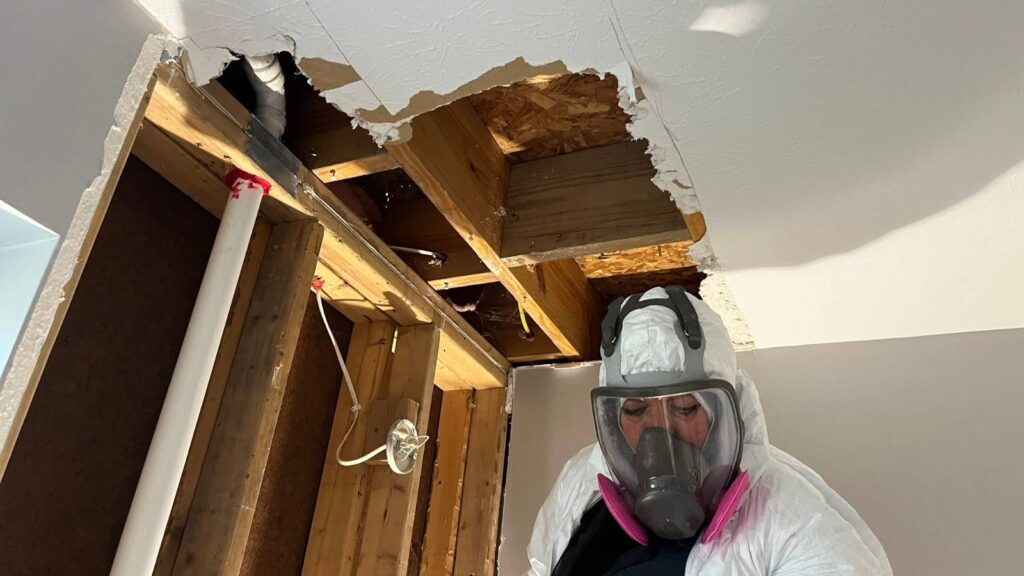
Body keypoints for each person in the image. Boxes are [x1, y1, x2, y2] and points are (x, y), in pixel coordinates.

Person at [526, 286, 892, 575]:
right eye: (635, 410)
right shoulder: (582, 482)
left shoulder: (800, 527)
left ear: (724, 410)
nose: (659, 434)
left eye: (685, 408)